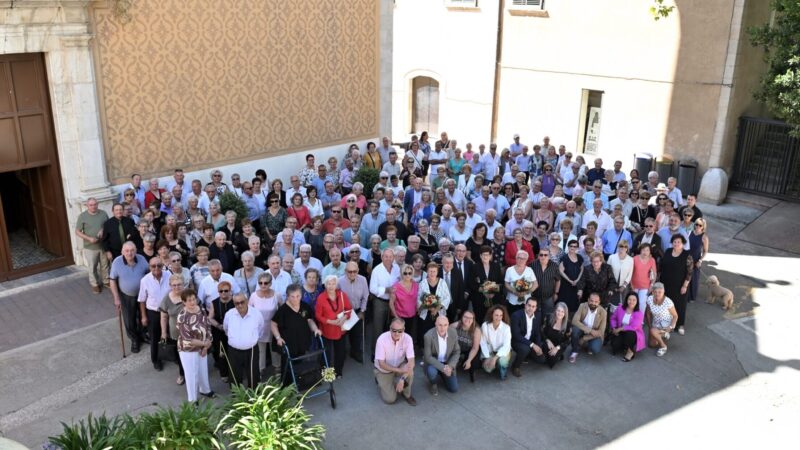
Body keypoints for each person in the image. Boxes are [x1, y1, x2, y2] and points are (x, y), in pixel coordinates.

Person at [176, 289, 215, 402]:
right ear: (184, 302)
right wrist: (204, 344)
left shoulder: (201, 309)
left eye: (194, 299)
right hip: (188, 349)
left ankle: (205, 390)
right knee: (192, 374)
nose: (193, 302)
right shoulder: (182, 317)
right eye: (189, 300)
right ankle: (192, 400)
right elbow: (187, 339)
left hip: (203, 345)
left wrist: (206, 346)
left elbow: (207, 325)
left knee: (203, 370)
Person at [224, 293, 265, 388]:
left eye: (242, 302)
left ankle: (254, 397)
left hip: (251, 350)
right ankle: (237, 398)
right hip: (233, 351)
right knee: (234, 375)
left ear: (247, 301)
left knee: (253, 375)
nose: (240, 305)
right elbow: (226, 329)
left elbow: (261, 329)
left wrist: (251, 340)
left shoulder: (256, 314)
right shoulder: (229, 314)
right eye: (236, 303)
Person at [315, 275, 353, 378]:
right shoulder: (321, 297)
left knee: (340, 353)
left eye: (333, 283)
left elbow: (349, 309)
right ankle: (328, 375)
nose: (331, 286)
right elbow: (318, 315)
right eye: (329, 284)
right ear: (325, 285)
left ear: (336, 284)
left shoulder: (342, 295)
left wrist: (344, 318)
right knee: (327, 354)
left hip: (340, 329)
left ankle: (338, 372)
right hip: (327, 329)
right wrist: (330, 321)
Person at [374, 317, 417, 406]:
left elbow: (411, 362)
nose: (397, 333)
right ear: (390, 328)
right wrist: (400, 371)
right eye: (394, 330)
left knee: (410, 372)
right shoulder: (381, 339)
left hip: (399, 365)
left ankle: (407, 394)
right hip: (384, 370)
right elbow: (381, 364)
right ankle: (379, 378)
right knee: (390, 399)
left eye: (400, 331)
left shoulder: (408, 339)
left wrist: (402, 379)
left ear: (404, 329)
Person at [138, 256, 171, 371]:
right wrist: (143, 316)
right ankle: (156, 360)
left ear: (162, 266)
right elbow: (142, 300)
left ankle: (171, 355)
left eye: (159, 265)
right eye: (153, 266)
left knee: (170, 334)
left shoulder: (169, 275)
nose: (156, 268)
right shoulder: (145, 280)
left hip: (168, 311)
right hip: (154, 312)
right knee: (154, 337)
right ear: (149, 267)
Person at [249, 272, 281, 378]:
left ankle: (277, 368)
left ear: (270, 283)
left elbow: (282, 309)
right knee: (260, 350)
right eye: (260, 283)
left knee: (274, 349)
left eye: (266, 283)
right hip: (259, 327)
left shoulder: (277, 295)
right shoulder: (253, 296)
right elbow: (249, 310)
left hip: (273, 326)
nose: (263, 285)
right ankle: (260, 369)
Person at [660, 234, 693, 336]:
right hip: (666, 283)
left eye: (679, 242)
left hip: (680, 285)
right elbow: (662, 265)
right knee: (667, 304)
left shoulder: (687, 255)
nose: (676, 244)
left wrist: (685, 286)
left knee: (680, 305)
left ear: (683, 244)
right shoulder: (668, 251)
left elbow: (689, 272)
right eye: (674, 242)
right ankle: (668, 323)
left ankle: (680, 325)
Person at [75, 198, 109, 294]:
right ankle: (95, 284)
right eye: (91, 205)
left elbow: (108, 225)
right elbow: (77, 231)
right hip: (90, 247)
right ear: (87, 205)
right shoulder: (82, 216)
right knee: (92, 267)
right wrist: (89, 238)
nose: (93, 206)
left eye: (95, 204)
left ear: (97, 204)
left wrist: (103, 229)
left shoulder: (103, 213)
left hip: (102, 245)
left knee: (105, 265)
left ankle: (106, 281)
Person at [423, 316, 460, 395]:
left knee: (454, 388)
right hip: (434, 362)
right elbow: (428, 357)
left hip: (447, 362)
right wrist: (443, 368)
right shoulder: (428, 336)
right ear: (435, 324)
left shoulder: (453, 332)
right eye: (440, 325)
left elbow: (456, 351)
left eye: (445, 325)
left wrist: (450, 366)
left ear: (448, 325)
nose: (442, 328)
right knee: (431, 371)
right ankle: (433, 383)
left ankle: (442, 374)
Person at [160, 274, 187, 385]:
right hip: (175, 333)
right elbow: (163, 316)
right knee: (179, 355)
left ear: (183, 284)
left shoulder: (189, 295)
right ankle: (182, 374)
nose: (177, 287)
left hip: (189, 331)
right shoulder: (167, 298)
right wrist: (163, 333)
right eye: (174, 285)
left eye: (179, 285)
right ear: (170, 285)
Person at [370, 248, 400, 344]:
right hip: (380, 302)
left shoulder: (397, 268)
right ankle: (376, 353)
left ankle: (389, 352)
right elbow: (372, 288)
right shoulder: (376, 270)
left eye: (390, 257)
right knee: (378, 328)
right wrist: (387, 290)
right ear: (382, 257)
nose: (388, 259)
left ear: (394, 258)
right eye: (386, 256)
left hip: (394, 302)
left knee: (392, 328)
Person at [207, 281, 235, 381]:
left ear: (230, 291)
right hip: (219, 331)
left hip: (233, 331)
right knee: (221, 353)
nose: (223, 293)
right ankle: (224, 374)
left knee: (233, 352)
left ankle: (234, 372)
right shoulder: (214, 302)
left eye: (226, 290)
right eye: (221, 291)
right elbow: (210, 318)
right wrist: (218, 325)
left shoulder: (235, 301)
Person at [510, 298, 545, 377]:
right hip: (517, 341)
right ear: (525, 305)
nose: (531, 308)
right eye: (529, 305)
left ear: (535, 308)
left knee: (541, 359)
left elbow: (537, 333)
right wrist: (533, 345)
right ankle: (515, 366)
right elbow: (516, 335)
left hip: (530, 341)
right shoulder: (516, 315)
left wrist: (538, 346)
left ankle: (525, 356)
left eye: (533, 306)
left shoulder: (538, 315)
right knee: (525, 349)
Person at [568, 293, 607, 363]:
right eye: (591, 301)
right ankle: (574, 351)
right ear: (588, 300)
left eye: (596, 302)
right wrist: (590, 330)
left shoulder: (603, 312)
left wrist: (584, 338)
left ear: (599, 302)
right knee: (575, 329)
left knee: (595, 349)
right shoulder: (582, 306)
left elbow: (601, 332)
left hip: (594, 335)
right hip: (584, 330)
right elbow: (574, 321)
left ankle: (586, 345)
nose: (593, 303)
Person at [389, 264, 420, 346]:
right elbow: (391, 303)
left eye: (410, 273)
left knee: (409, 338)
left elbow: (418, 300)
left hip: (412, 316)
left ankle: (407, 355)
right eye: (405, 273)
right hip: (400, 317)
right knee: (398, 338)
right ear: (401, 274)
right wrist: (396, 317)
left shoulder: (416, 285)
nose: (407, 275)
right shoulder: (396, 286)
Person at [609, 293, 645, 362]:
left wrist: (619, 329)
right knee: (614, 346)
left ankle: (630, 351)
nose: (631, 302)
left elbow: (634, 327)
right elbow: (613, 318)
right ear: (626, 300)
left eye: (634, 300)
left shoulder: (639, 313)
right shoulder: (620, 308)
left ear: (637, 301)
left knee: (629, 334)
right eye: (629, 299)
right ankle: (625, 345)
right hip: (621, 332)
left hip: (633, 333)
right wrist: (613, 328)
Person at [480, 305, 512, 380]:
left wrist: (494, 358)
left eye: (501, 315)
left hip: (503, 351)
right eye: (496, 315)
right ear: (492, 315)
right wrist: (487, 357)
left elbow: (506, 346)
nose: (498, 318)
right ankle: (494, 364)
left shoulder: (506, 328)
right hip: (490, 350)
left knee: (502, 362)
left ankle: (502, 370)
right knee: (488, 369)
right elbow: (483, 343)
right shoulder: (485, 326)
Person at [472, 246, 504, 324]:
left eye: (487, 255)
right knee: (480, 321)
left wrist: (493, 292)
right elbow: (472, 284)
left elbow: (500, 282)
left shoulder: (496, 266)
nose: (485, 256)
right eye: (483, 254)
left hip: (494, 299)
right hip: (479, 300)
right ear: (480, 256)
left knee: (493, 320)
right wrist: (484, 291)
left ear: (490, 256)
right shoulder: (474, 267)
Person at [646, 282, 678, 356]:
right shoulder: (650, 299)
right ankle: (663, 335)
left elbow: (675, 316)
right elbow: (647, 313)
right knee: (651, 345)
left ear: (663, 291)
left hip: (666, 323)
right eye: (655, 292)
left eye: (660, 292)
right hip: (656, 322)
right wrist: (650, 326)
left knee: (653, 331)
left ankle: (663, 346)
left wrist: (671, 327)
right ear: (652, 292)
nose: (657, 294)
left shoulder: (668, 302)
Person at [451, 310, 481, 382]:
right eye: (465, 317)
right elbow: (446, 335)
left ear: (473, 319)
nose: (467, 320)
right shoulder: (456, 325)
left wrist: (469, 360)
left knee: (473, 362)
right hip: (457, 348)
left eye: (470, 318)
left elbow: (475, 348)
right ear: (462, 317)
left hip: (469, 349)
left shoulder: (476, 330)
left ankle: (472, 371)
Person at [504, 250, 538, 315]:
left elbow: (535, 284)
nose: (521, 260)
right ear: (516, 258)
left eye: (523, 258)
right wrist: (514, 291)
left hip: (526, 301)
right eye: (519, 258)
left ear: (526, 260)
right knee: (513, 317)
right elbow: (506, 283)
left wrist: (527, 292)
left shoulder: (529, 270)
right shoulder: (509, 270)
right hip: (512, 300)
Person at [531, 248, 561, 317]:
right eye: (541, 255)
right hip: (535, 296)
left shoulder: (554, 266)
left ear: (549, 256)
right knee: (535, 316)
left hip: (549, 297)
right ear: (538, 256)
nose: (543, 257)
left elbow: (558, 280)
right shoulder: (532, 265)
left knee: (549, 316)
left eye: (545, 255)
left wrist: (556, 293)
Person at [558, 240, 584, 313]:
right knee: (564, 305)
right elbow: (561, 271)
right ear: (568, 247)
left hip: (576, 285)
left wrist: (577, 280)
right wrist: (570, 281)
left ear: (577, 248)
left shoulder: (579, 257)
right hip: (565, 285)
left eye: (575, 246)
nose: (573, 247)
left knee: (574, 305)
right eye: (571, 246)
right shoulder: (564, 258)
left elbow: (582, 269)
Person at [542, 302, 570, 369]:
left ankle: (559, 356)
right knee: (543, 359)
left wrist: (557, 348)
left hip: (559, 345)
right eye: (558, 310)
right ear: (555, 310)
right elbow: (541, 331)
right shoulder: (548, 318)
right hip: (548, 343)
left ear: (565, 313)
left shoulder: (568, 324)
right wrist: (547, 340)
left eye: (562, 312)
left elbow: (568, 340)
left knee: (551, 362)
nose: (560, 313)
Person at [631, 243, 657, 312]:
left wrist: (651, 285)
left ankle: (640, 320)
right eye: (643, 250)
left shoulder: (652, 260)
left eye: (647, 250)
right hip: (634, 285)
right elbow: (630, 273)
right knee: (633, 303)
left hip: (645, 286)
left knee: (642, 304)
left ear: (650, 251)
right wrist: (631, 285)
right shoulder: (634, 259)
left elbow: (654, 274)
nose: (645, 252)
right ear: (640, 250)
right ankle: (633, 319)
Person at [688, 218, 709, 303]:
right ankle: (686, 295)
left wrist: (700, 260)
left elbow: (705, 251)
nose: (697, 226)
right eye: (696, 224)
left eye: (700, 225)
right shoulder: (689, 232)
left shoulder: (704, 237)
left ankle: (692, 297)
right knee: (686, 276)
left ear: (703, 227)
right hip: (687, 258)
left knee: (694, 278)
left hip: (696, 259)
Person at [607, 239, 634, 305]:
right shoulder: (611, 257)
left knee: (623, 304)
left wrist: (624, 286)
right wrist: (611, 285)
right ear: (618, 247)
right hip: (612, 285)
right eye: (621, 246)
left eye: (625, 246)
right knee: (610, 304)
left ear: (627, 248)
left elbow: (629, 274)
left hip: (624, 286)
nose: (622, 248)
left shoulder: (630, 259)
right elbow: (607, 272)